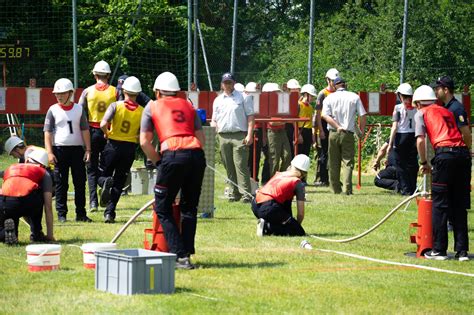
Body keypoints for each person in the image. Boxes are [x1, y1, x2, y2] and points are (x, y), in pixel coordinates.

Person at [140, 71, 206, 270]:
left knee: (162, 207)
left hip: (173, 156)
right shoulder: (189, 106)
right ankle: (186, 256)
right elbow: (201, 139)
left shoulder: (151, 106)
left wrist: (159, 162)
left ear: (158, 92)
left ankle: (179, 255)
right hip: (196, 155)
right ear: (177, 92)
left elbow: (144, 142)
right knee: (189, 207)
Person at [413, 85, 470, 261]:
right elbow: (464, 132)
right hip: (462, 155)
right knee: (459, 204)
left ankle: (439, 250)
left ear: (417, 103)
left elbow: (421, 140)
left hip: (444, 156)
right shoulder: (446, 110)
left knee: (440, 204)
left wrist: (424, 162)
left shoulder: (421, 113)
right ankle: (462, 252)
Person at [44, 78, 92, 223]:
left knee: (79, 182)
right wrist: (50, 152)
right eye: (57, 94)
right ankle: (61, 214)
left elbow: (85, 130)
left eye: (62, 93)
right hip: (59, 151)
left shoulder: (78, 109)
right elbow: (47, 132)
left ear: (70, 93)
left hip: (77, 151)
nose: (59, 96)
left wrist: (88, 149)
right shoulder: (52, 110)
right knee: (60, 183)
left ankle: (81, 213)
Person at [97, 76, 144, 223]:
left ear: (124, 90)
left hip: (113, 145)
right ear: (138, 93)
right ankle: (109, 213)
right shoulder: (142, 111)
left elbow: (103, 123)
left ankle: (104, 182)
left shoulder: (115, 106)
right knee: (119, 181)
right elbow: (146, 131)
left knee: (101, 174)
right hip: (129, 149)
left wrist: (107, 133)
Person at [78, 60, 117, 212]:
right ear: (108, 74)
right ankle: (106, 185)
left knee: (91, 168)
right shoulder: (115, 91)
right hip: (109, 132)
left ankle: (93, 202)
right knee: (107, 166)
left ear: (94, 74)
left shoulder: (87, 91)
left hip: (92, 132)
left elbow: (80, 113)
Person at [211, 73, 255, 203]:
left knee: (240, 164)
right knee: (228, 166)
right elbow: (214, 119)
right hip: (223, 136)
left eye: (229, 82)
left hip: (239, 135)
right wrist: (213, 129)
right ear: (221, 84)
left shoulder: (243, 97)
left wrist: (249, 134)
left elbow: (251, 117)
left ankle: (246, 194)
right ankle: (234, 192)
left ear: (234, 83)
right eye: (225, 82)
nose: (227, 85)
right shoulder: (217, 100)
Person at [322, 77, 366, 195]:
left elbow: (325, 116)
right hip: (348, 133)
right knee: (348, 162)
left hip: (333, 133)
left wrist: (337, 126)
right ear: (345, 85)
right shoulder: (354, 97)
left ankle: (335, 189)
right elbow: (362, 115)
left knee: (333, 162)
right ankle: (347, 189)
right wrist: (360, 132)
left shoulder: (329, 98)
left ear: (335, 86)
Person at [0, 149, 55, 244]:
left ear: (27, 160)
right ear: (44, 165)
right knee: (38, 195)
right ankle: (36, 233)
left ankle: (5, 233)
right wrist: (50, 235)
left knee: (9, 228)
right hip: (28, 202)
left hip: (6, 203)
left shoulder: (11, 167)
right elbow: (48, 206)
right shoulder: (43, 172)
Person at [251, 154, 310, 237]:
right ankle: (267, 227)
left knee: (284, 217)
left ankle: (266, 223)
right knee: (299, 232)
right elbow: (300, 213)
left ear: (291, 165)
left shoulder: (279, 174)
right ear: (304, 173)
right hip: (269, 207)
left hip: (255, 204)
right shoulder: (298, 183)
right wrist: (296, 226)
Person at [387, 83, 418, 195]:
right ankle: (413, 187)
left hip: (401, 137)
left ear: (400, 95)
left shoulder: (398, 108)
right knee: (412, 163)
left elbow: (394, 127)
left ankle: (405, 189)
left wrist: (390, 144)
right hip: (413, 136)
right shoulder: (416, 108)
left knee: (400, 165)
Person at [312, 68, 339, 187]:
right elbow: (318, 114)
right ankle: (323, 178)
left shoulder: (340, 92)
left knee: (335, 153)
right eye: (333, 80)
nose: (335, 83)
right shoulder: (322, 94)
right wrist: (320, 130)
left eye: (336, 81)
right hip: (324, 124)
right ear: (327, 80)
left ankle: (334, 178)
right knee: (324, 153)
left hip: (335, 125)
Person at [432, 76, 472, 150]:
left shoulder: (457, 108)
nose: (435, 91)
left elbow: (466, 134)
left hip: (457, 154)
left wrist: (465, 150)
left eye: (438, 89)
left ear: (446, 90)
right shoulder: (445, 107)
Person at [262, 82, 292, 179]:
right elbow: (272, 123)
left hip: (282, 132)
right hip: (273, 133)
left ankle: (281, 178)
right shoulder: (266, 105)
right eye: (275, 92)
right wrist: (286, 121)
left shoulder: (281, 103)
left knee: (287, 156)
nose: (277, 94)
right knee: (274, 159)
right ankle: (273, 180)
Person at [245, 82, 270, 184]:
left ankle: (254, 179)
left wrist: (264, 135)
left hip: (258, 131)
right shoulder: (244, 102)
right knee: (247, 157)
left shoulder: (261, 103)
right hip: (247, 130)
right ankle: (247, 180)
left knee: (256, 157)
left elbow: (263, 121)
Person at [297, 84, 317, 156]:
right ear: (306, 94)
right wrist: (298, 135)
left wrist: (312, 137)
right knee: (299, 154)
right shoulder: (299, 105)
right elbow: (295, 121)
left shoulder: (310, 107)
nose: (312, 98)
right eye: (311, 96)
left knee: (306, 154)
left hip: (308, 132)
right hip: (300, 131)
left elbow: (310, 123)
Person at [285, 79, 301, 158]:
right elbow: (292, 119)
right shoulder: (287, 102)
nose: (296, 91)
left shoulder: (297, 102)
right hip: (287, 129)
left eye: (297, 89)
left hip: (293, 128)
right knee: (289, 152)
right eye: (293, 90)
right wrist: (298, 133)